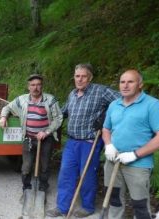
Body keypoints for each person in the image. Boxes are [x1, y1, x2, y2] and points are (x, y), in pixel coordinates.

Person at [47, 63, 120, 218]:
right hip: (72, 142)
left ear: (90, 77)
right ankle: (62, 207)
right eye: (77, 76)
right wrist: (45, 115)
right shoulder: (72, 94)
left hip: (90, 142)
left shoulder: (100, 91)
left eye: (83, 76)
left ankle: (87, 207)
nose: (80, 79)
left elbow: (122, 100)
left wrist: (106, 117)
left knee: (87, 175)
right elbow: (63, 113)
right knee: (66, 174)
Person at [102, 69, 159, 218]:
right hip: (113, 161)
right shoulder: (114, 105)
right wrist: (109, 145)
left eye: (130, 82)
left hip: (138, 165)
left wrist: (135, 154)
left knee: (140, 205)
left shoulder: (152, 105)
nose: (125, 85)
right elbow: (106, 129)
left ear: (140, 84)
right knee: (113, 200)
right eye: (122, 82)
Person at [0, 74, 63, 193]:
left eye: (38, 85)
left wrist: (46, 132)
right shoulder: (22, 99)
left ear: (42, 86)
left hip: (46, 139)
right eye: (33, 85)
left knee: (45, 165)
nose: (35, 88)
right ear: (28, 87)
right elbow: (7, 107)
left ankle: (43, 187)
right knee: (26, 166)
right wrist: (3, 117)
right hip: (28, 139)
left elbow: (58, 118)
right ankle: (26, 187)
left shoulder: (50, 100)